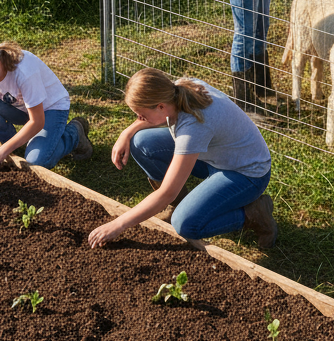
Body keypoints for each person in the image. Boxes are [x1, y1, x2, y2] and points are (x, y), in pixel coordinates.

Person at [87, 68, 276, 250]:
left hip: (246, 173)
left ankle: (254, 214)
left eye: (142, 115)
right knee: (142, 142)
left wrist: (118, 224)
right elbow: (152, 120)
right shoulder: (177, 89)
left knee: (185, 224)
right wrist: (127, 133)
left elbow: (166, 192)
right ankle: (183, 205)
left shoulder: (193, 126)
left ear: (161, 106)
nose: (139, 118)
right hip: (216, 154)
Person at [0, 38, 92, 171]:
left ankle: (74, 135)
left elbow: (37, 121)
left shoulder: (24, 72)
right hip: (22, 108)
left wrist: (3, 150)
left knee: (37, 161)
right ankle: (16, 146)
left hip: (50, 110)